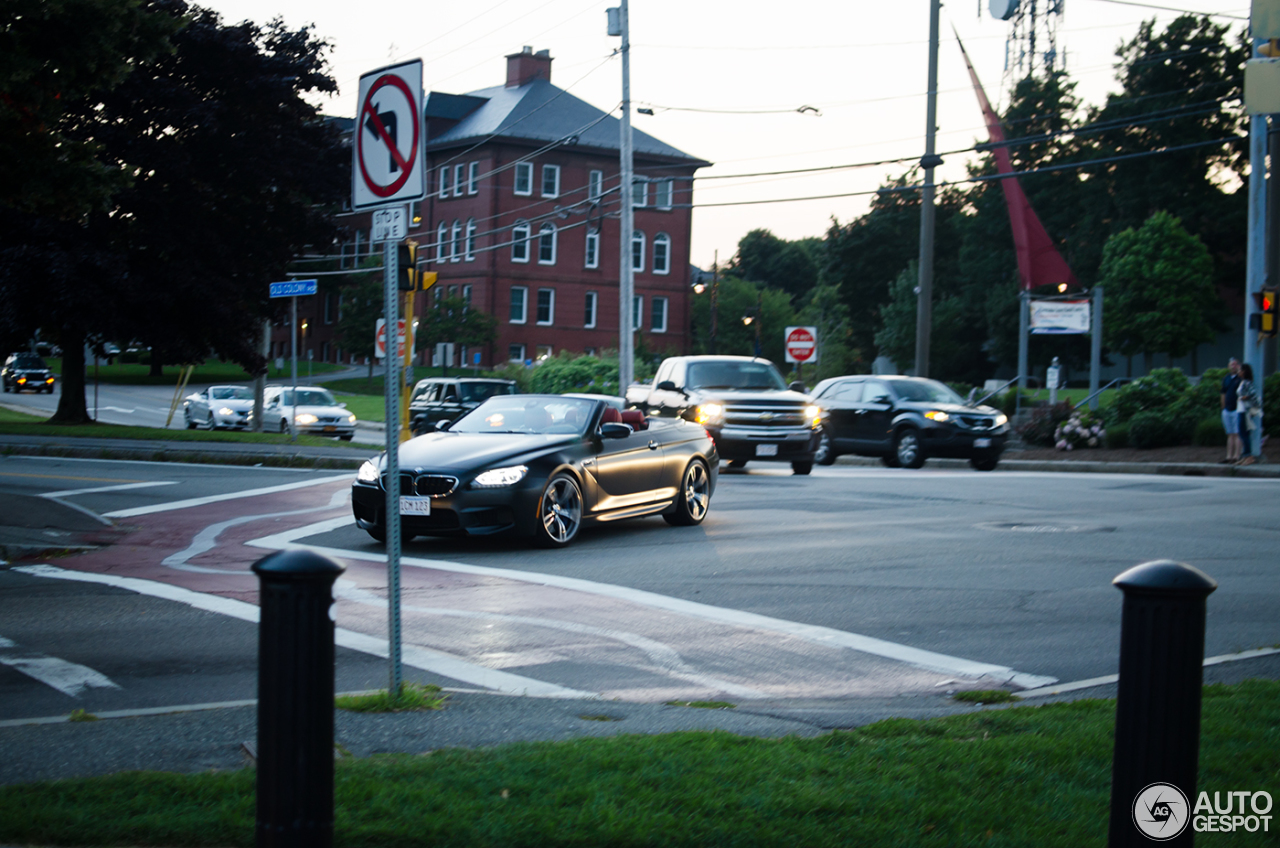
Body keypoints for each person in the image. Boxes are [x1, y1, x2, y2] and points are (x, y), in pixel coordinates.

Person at [1236, 363, 1258, 465]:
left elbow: (1252, 394)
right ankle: (1245, 455)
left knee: (1243, 433)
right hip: (1241, 410)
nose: (1238, 371)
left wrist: (1242, 398)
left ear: (1244, 371)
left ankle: (1249, 456)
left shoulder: (1247, 383)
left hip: (1244, 411)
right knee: (1243, 433)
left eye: (1240, 370)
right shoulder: (1243, 382)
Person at [1221, 357, 1241, 463]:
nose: (1233, 366)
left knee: (1237, 433)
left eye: (1235, 364)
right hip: (1227, 409)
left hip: (1237, 409)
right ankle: (1229, 456)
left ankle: (1237, 455)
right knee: (1230, 434)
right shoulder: (1226, 378)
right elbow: (1223, 392)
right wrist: (1223, 407)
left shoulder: (1240, 378)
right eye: (1231, 364)